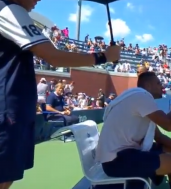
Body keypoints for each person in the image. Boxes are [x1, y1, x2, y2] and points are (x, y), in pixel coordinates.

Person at [0, 0, 120, 188]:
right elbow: (53, 57)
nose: (37, 0)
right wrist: (103, 56)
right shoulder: (10, 9)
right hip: (7, 112)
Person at [96, 72, 171, 189]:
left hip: (122, 155)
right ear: (148, 86)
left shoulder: (137, 96)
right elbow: (170, 125)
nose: (162, 86)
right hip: (116, 161)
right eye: (158, 83)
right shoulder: (141, 96)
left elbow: (159, 137)